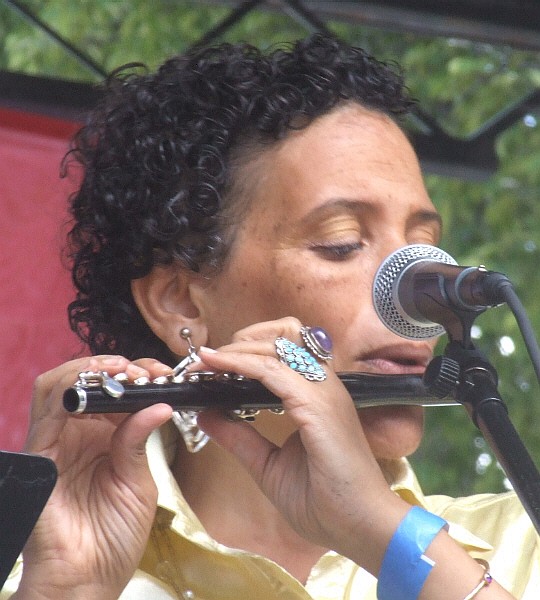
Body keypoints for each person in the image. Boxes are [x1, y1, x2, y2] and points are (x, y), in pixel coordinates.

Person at [3, 34, 537, 599]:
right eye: (342, 243)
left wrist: (385, 534)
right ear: (181, 301)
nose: (413, 301)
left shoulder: (520, 544)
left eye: (423, 249)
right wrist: (70, 589)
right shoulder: (44, 573)